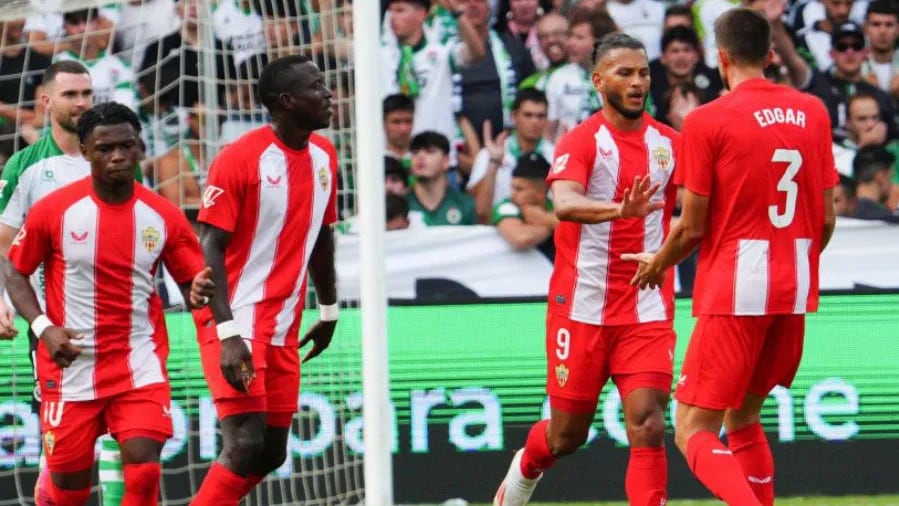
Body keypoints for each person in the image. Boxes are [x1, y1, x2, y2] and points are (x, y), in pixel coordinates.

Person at [624, 9, 838, 505]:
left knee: (692, 427)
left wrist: (656, 264)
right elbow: (826, 219)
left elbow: (692, 226)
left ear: (720, 58)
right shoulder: (814, 111)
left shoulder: (707, 120)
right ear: (769, 54)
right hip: (794, 288)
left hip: (737, 288)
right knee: (743, 416)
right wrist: (793, 259)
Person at [493, 33, 679, 506]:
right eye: (625, 73)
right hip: (581, 309)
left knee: (649, 422)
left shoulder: (673, 145)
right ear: (598, 81)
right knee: (565, 437)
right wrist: (621, 211)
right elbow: (567, 203)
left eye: (642, 73)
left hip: (645, 307)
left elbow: (700, 211)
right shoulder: (583, 142)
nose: (637, 83)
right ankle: (525, 468)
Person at [3, 101, 213, 506]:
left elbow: (193, 280)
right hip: (70, 365)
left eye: (127, 146)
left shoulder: (162, 214)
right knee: (68, 492)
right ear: (85, 152)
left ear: (139, 148)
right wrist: (43, 328)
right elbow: (14, 270)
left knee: (146, 467)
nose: (118, 156)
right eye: (105, 148)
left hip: (138, 362)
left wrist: (201, 297)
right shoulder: (55, 210)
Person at [189, 54, 340, 506]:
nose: (329, 94)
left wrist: (329, 308)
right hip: (237, 318)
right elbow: (209, 245)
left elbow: (321, 234)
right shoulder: (240, 159)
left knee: (271, 454)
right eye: (317, 86)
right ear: (286, 101)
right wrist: (228, 333)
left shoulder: (324, 156)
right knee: (245, 443)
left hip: (283, 324)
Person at [468, 88, 555, 223]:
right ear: (514, 117)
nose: (534, 122)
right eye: (528, 115)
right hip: (496, 233)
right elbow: (474, 205)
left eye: (540, 116)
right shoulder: (489, 154)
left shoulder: (556, 156)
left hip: (541, 233)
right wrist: (494, 164)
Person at [493, 152, 558, 260]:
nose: (513, 194)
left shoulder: (556, 206)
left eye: (519, 189)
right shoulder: (506, 206)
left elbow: (585, 228)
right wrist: (554, 224)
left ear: (541, 192)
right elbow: (521, 237)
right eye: (513, 188)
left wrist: (544, 218)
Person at [406, 131, 477, 225]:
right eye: (415, 152)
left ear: (446, 161)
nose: (420, 156)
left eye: (430, 151)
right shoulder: (401, 205)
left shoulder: (466, 205)